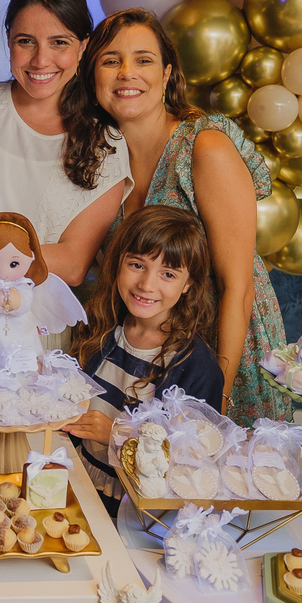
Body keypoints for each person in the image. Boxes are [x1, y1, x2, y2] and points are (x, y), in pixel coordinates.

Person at [75, 7, 292, 426]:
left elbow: (238, 287)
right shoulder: (98, 157)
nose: (127, 73)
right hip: (145, 354)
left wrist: (215, 398)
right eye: (110, 60)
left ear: (167, 74)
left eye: (143, 60)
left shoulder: (204, 148)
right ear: (92, 76)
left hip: (219, 349)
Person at [0, 0, 131, 349]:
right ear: (8, 40)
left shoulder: (104, 144)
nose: (41, 60)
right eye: (26, 41)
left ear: (83, 47)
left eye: (59, 42)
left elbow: (73, 263)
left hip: (27, 335)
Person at [63, 204, 224, 517]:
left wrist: (117, 434)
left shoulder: (198, 369)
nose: (147, 285)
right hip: (78, 479)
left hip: (137, 510)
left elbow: (192, 462)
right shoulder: (101, 326)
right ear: (118, 263)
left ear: (188, 284)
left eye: (168, 274)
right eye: (137, 265)